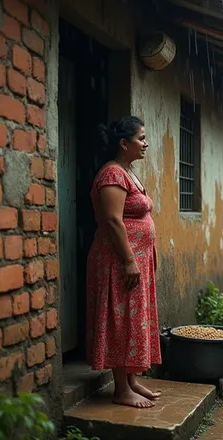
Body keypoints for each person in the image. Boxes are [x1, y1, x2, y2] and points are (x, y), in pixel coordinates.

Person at [86, 116, 162, 409]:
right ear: (124, 143)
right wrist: (130, 260)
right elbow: (113, 220)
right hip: (116, 260)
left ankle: (130, 381)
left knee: (133, 320)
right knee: (121, 322)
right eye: (141, 138)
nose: (145, 144)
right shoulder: (112, 175)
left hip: (133, 260)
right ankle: (120, 390)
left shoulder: (127, 172)